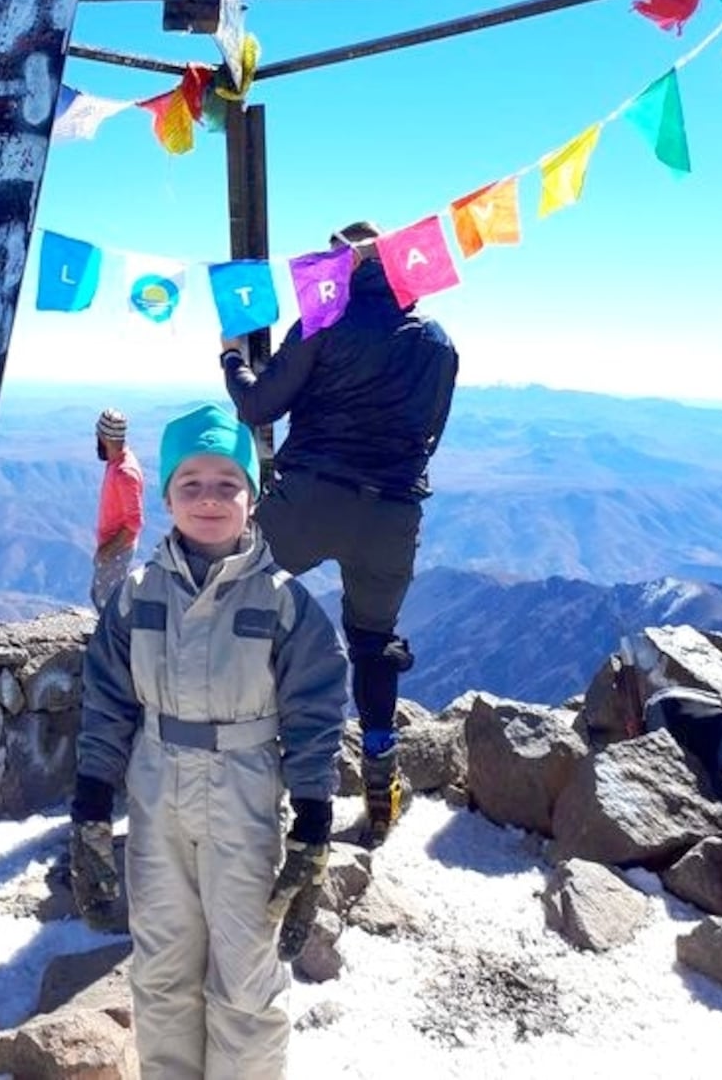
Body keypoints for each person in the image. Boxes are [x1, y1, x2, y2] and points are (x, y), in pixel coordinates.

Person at [69, 403, 347, 1080]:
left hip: (245, 796)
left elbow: (315, 712)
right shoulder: (137, 596)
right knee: (161, 971)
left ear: (253, 497)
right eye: (190, 482)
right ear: (165, 496)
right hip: (157, 792)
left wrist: (312, 823)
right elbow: (107, 701)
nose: (210, 498)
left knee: (247, 979)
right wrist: (90, 809)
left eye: (228, 482)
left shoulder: (283, 602)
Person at [219, 220, 458, 843]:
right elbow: (430, 431)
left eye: (331, 257)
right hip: (393, 516)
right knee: (375, 644)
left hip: (311, 498)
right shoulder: (440, 343)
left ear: (349, 263)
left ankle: (228, 763)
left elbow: (258, 407)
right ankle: (381, 782)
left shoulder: (324, 322)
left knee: (232, 601)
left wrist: (229, 358)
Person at [91, 407, 145, 611]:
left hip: (118, 548)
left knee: (108, 603)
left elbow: (134, 523)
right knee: (101, 596)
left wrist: (108, 550)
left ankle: (112, 642)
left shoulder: (125, 473)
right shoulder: (118, 463)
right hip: (115, 546)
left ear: (104, 437)